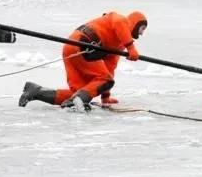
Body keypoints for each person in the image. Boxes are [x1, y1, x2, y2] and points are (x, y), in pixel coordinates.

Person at [18, 11, 148, 111]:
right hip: (83, 44)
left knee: (81, 90)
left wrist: (105, 98)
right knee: (99, 84)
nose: (142, 34)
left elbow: (109, 69)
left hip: (73, 47)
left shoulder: (118, 45)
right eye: (142, 28)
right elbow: (119, 24)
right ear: (135, 23)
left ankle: (36, 92)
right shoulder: (119, 19)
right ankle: (78, 100)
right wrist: (131, 47)